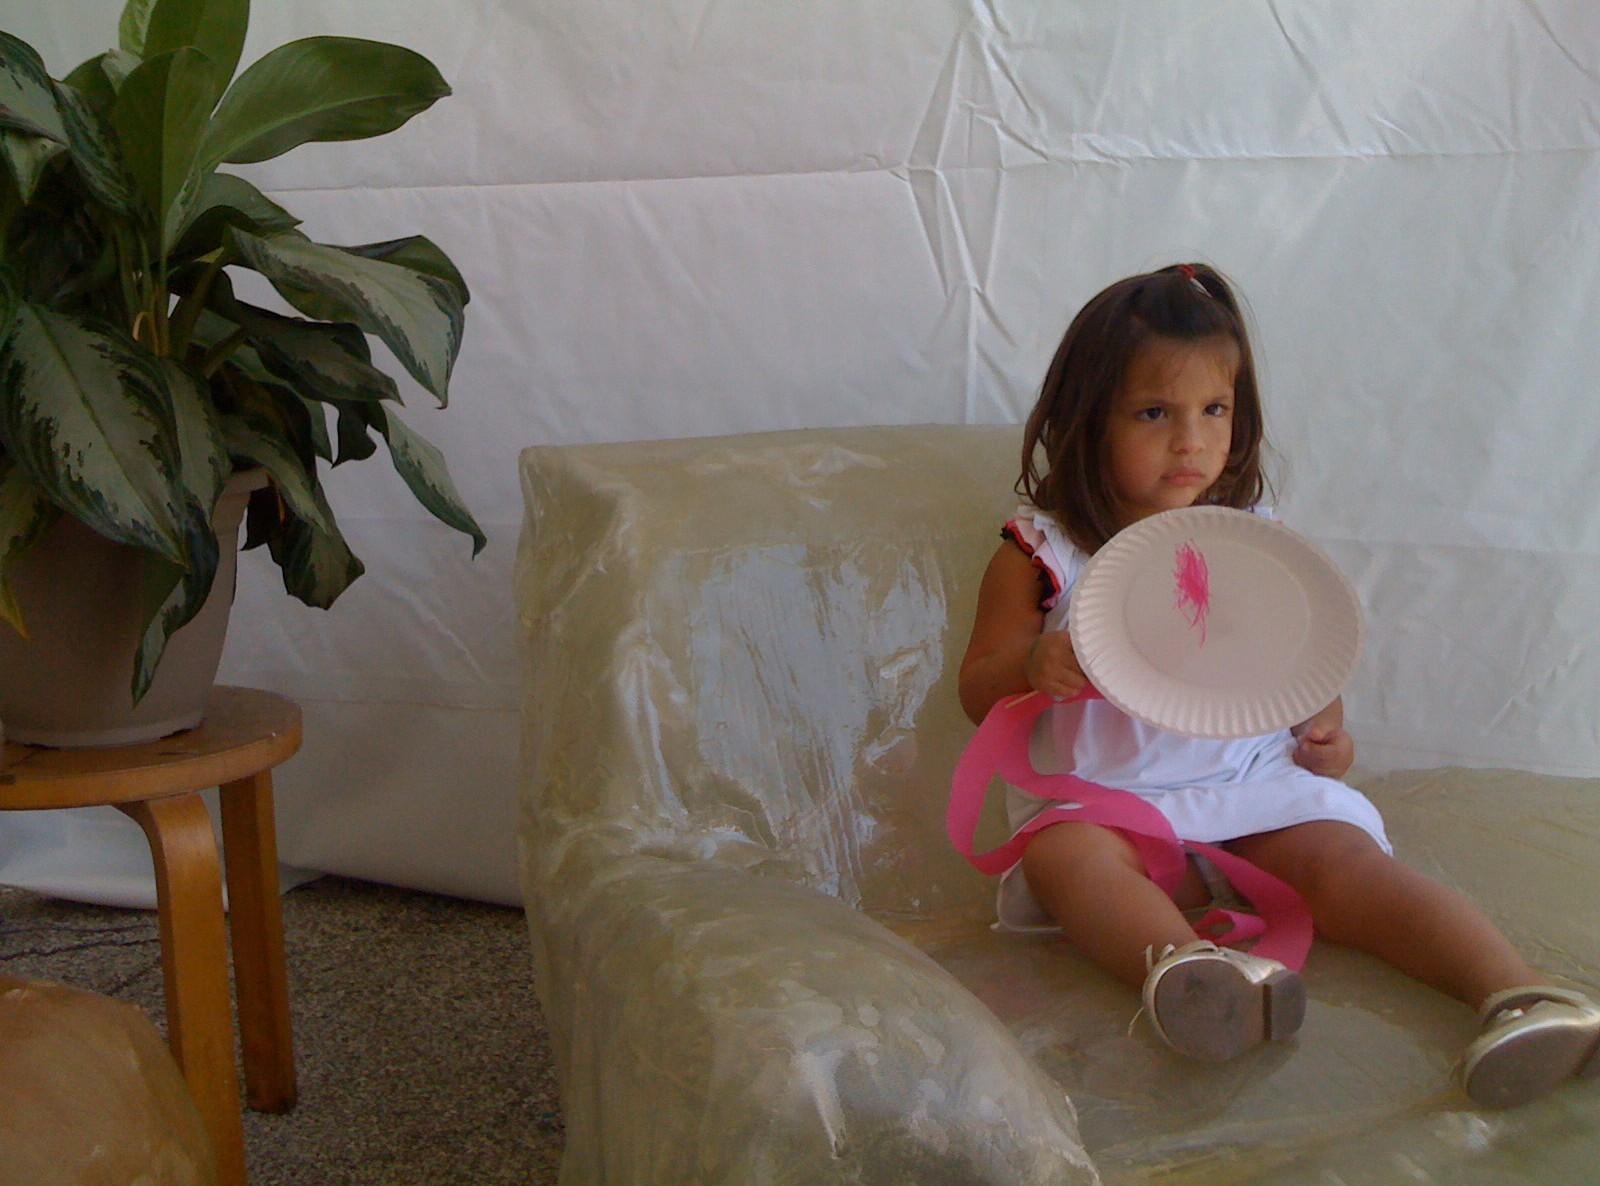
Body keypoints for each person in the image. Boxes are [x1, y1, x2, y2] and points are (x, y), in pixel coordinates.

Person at [956, 262, 1600, 1108]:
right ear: (1086, 420)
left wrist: (1322, 731)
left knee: (1347, 863)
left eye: (1214, 411)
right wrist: (1030, 666)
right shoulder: (1044, 553)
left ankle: (1516, 992)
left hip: (1251, 795)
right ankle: (1190, 973)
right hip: (1112, 809)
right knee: (1063, 857)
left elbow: (1296, 671)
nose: (1191, 441)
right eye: (1154, 413)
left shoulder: (1253, 544)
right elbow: (977, 687)